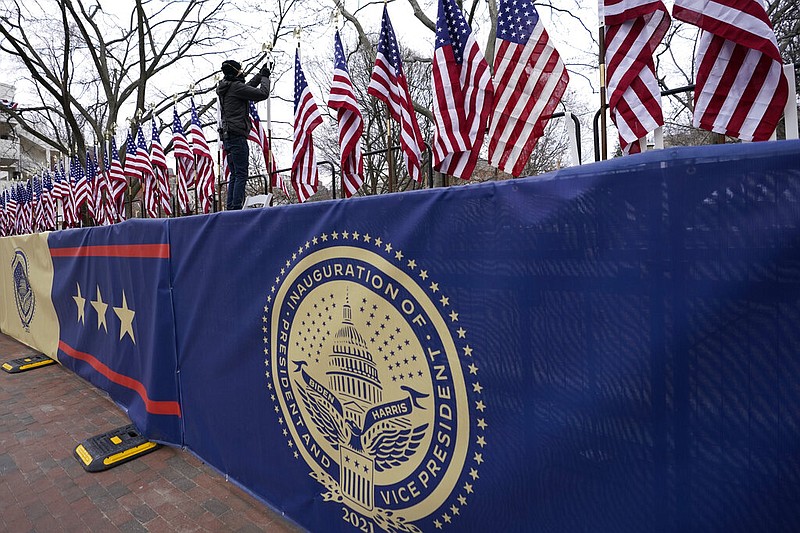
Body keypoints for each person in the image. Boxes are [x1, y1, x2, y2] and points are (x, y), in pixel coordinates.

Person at [217, 59, 271, 210]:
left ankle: (231, 207)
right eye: (240, 70)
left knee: (234, 174)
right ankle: (235, 208)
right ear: (236, 71)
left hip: (228, 136)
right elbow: (262, 93)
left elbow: (246, 88)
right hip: (237, 135)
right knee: (241, 174)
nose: (242, 72)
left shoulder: (227, 87)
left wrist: (260, 75)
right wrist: (266, 78)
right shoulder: (235, 87)